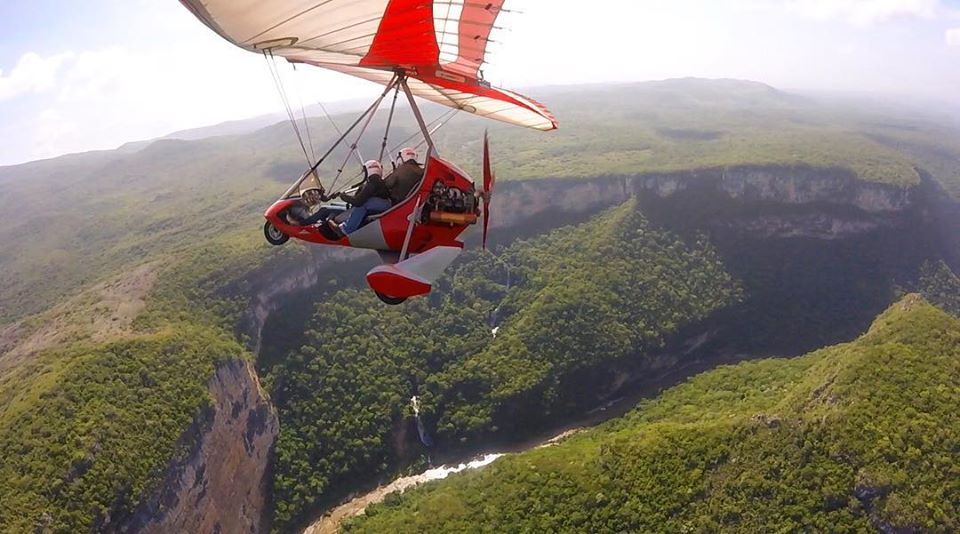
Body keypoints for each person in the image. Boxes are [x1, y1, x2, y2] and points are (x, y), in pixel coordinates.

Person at [331, 159, 392, 236]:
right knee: (363, 202)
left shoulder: (373, 183)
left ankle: (346, 230)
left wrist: (343, 196)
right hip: (384, 203)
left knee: (362, 204)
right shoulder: (377, 181)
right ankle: (344, 225)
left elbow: (358, 201)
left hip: (384, 204)